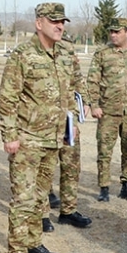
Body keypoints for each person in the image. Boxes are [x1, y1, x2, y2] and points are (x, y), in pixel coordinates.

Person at [0, 2, 79, 253]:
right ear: (38, 23)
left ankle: (33, 243)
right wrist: (10, 136)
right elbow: (7, 98)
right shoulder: (23, 55)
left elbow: (69, 95)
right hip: (27, 139)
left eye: (63, 22)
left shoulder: (62, 55)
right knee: (23, 197)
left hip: (52, 139)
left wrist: (72, 124)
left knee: (41, 197)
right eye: (54, 21)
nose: (60, 26)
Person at [88, 17, 127, 203]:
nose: (113, 35)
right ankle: (104, 187)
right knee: (104, 150)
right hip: (107, 111)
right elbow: (93, 80)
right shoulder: (102, 53)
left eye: (118, 32)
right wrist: (94, 105)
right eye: (111, 32)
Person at [41, 39, 92, 230]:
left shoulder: (69, 54)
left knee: (71, 166)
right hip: (45, 121)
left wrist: (85, 102)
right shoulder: (36, 54)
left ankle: (68, 211)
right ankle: (42, 214)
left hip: (69, 119)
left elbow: (78, 80)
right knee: (46, 168)